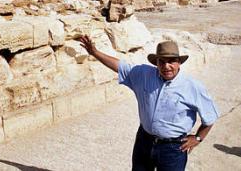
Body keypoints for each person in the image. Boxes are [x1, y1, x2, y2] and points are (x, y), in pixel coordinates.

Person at [78, 35, 218, 171]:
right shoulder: (144, 74)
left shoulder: (192, 86)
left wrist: (198, 138)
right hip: (144, 142)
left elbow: (210, 117)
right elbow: (120, 67)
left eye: (171, 61)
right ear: (156, 63)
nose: (166, 66)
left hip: (173, 149)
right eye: (161, 62)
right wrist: (94, 52)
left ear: (179, 62)